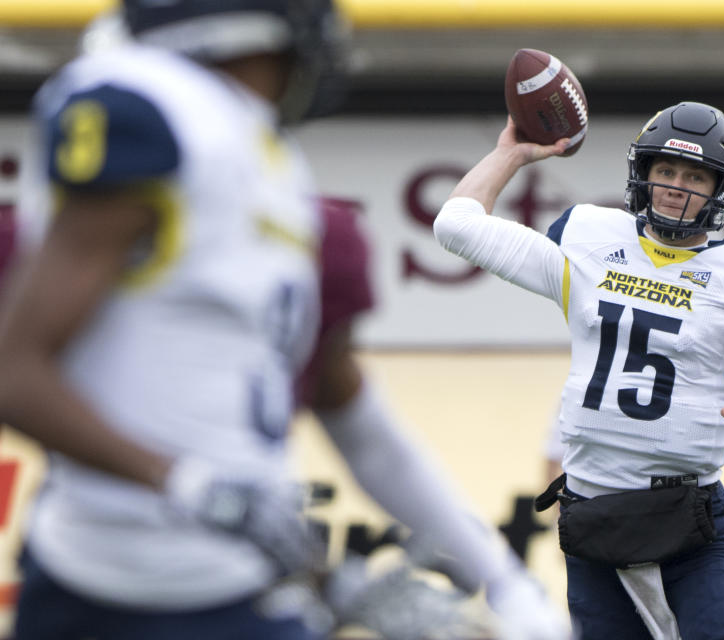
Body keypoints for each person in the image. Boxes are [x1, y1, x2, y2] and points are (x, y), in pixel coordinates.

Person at [0, 2, 569, 638]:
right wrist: (190, 487)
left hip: (236, 590)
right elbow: (16, 371)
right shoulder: (150, 109)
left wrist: (500, 583)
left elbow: (353, 417)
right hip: (92, 583)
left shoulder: (274, 173)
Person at [434, 102, 724, 640]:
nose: (677, 187)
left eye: (695, 175)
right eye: (666, 170)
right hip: (592, 516)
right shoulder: (590, 244)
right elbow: (456, 226)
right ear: (643, 174)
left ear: (721, 188)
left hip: (686, 525)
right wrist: (509, 153)